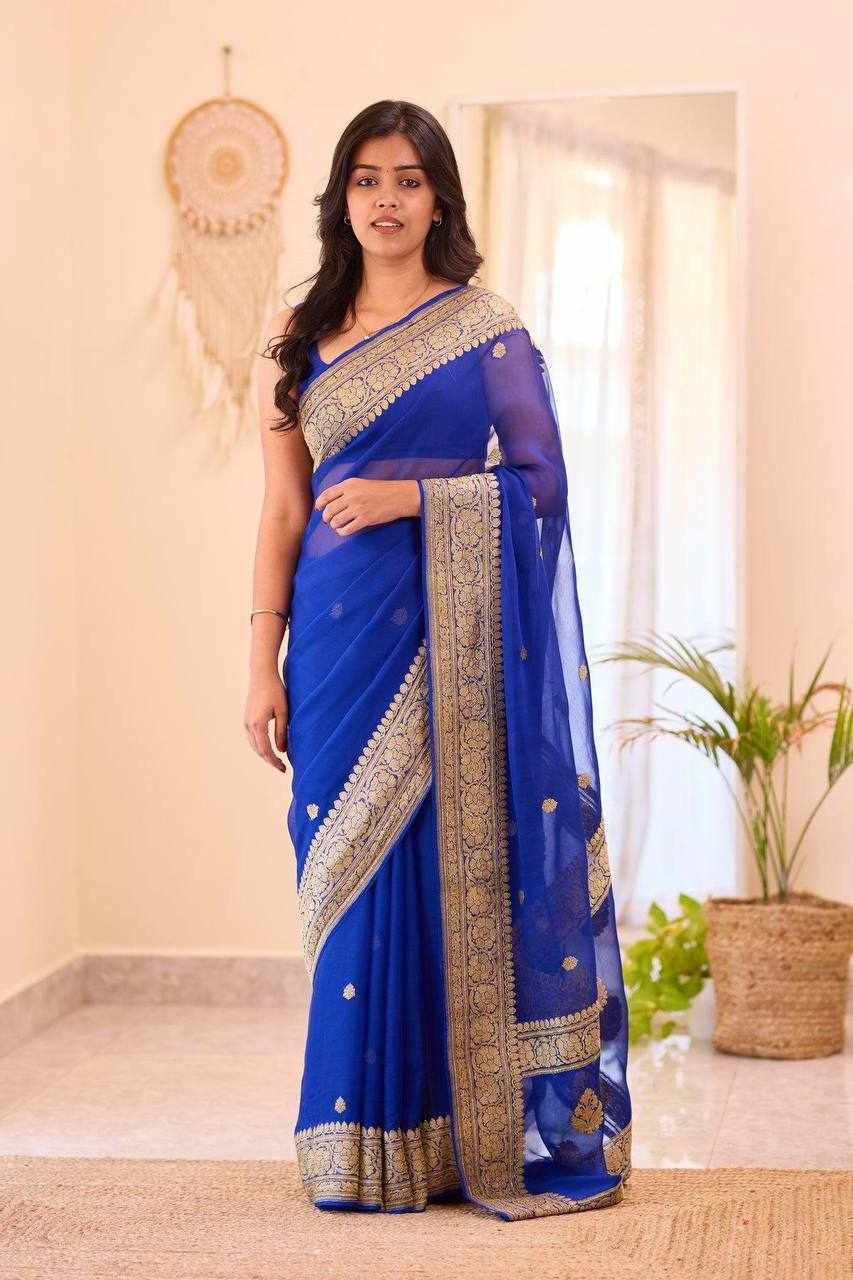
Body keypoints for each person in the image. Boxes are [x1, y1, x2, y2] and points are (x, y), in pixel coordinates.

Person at [246, 99, 632, 1222]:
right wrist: (259, 658)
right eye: (367, 179)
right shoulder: (293, 335)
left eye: (408, 180)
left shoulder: (485, 329)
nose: (386, 200)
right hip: (332, 645)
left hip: (447, 644)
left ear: (438, 199)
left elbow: (542, 482)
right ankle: (358, 1143)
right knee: (346, 876)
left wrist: (411, 498)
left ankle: (457, 1139)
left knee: (438, 872)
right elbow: (280, 510)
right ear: (341, 198)